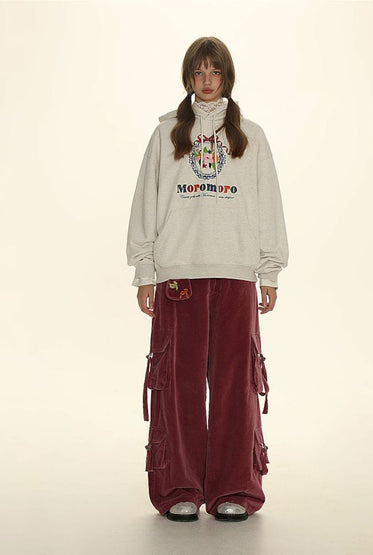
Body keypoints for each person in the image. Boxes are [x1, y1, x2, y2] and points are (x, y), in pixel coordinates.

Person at [126, 36, 289, 522]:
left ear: (227, 76)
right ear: (188, 78)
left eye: (215, 72)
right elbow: (146, 201)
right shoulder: (166, 135)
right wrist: (145, 271)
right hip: (180, 274)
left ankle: (233, 488)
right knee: (178, 385)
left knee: (235, 384)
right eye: (198, 72)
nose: (207, 81)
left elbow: (269, 203)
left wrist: (269, 271)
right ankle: (179, 486)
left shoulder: (251, 136)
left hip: (235, 273)